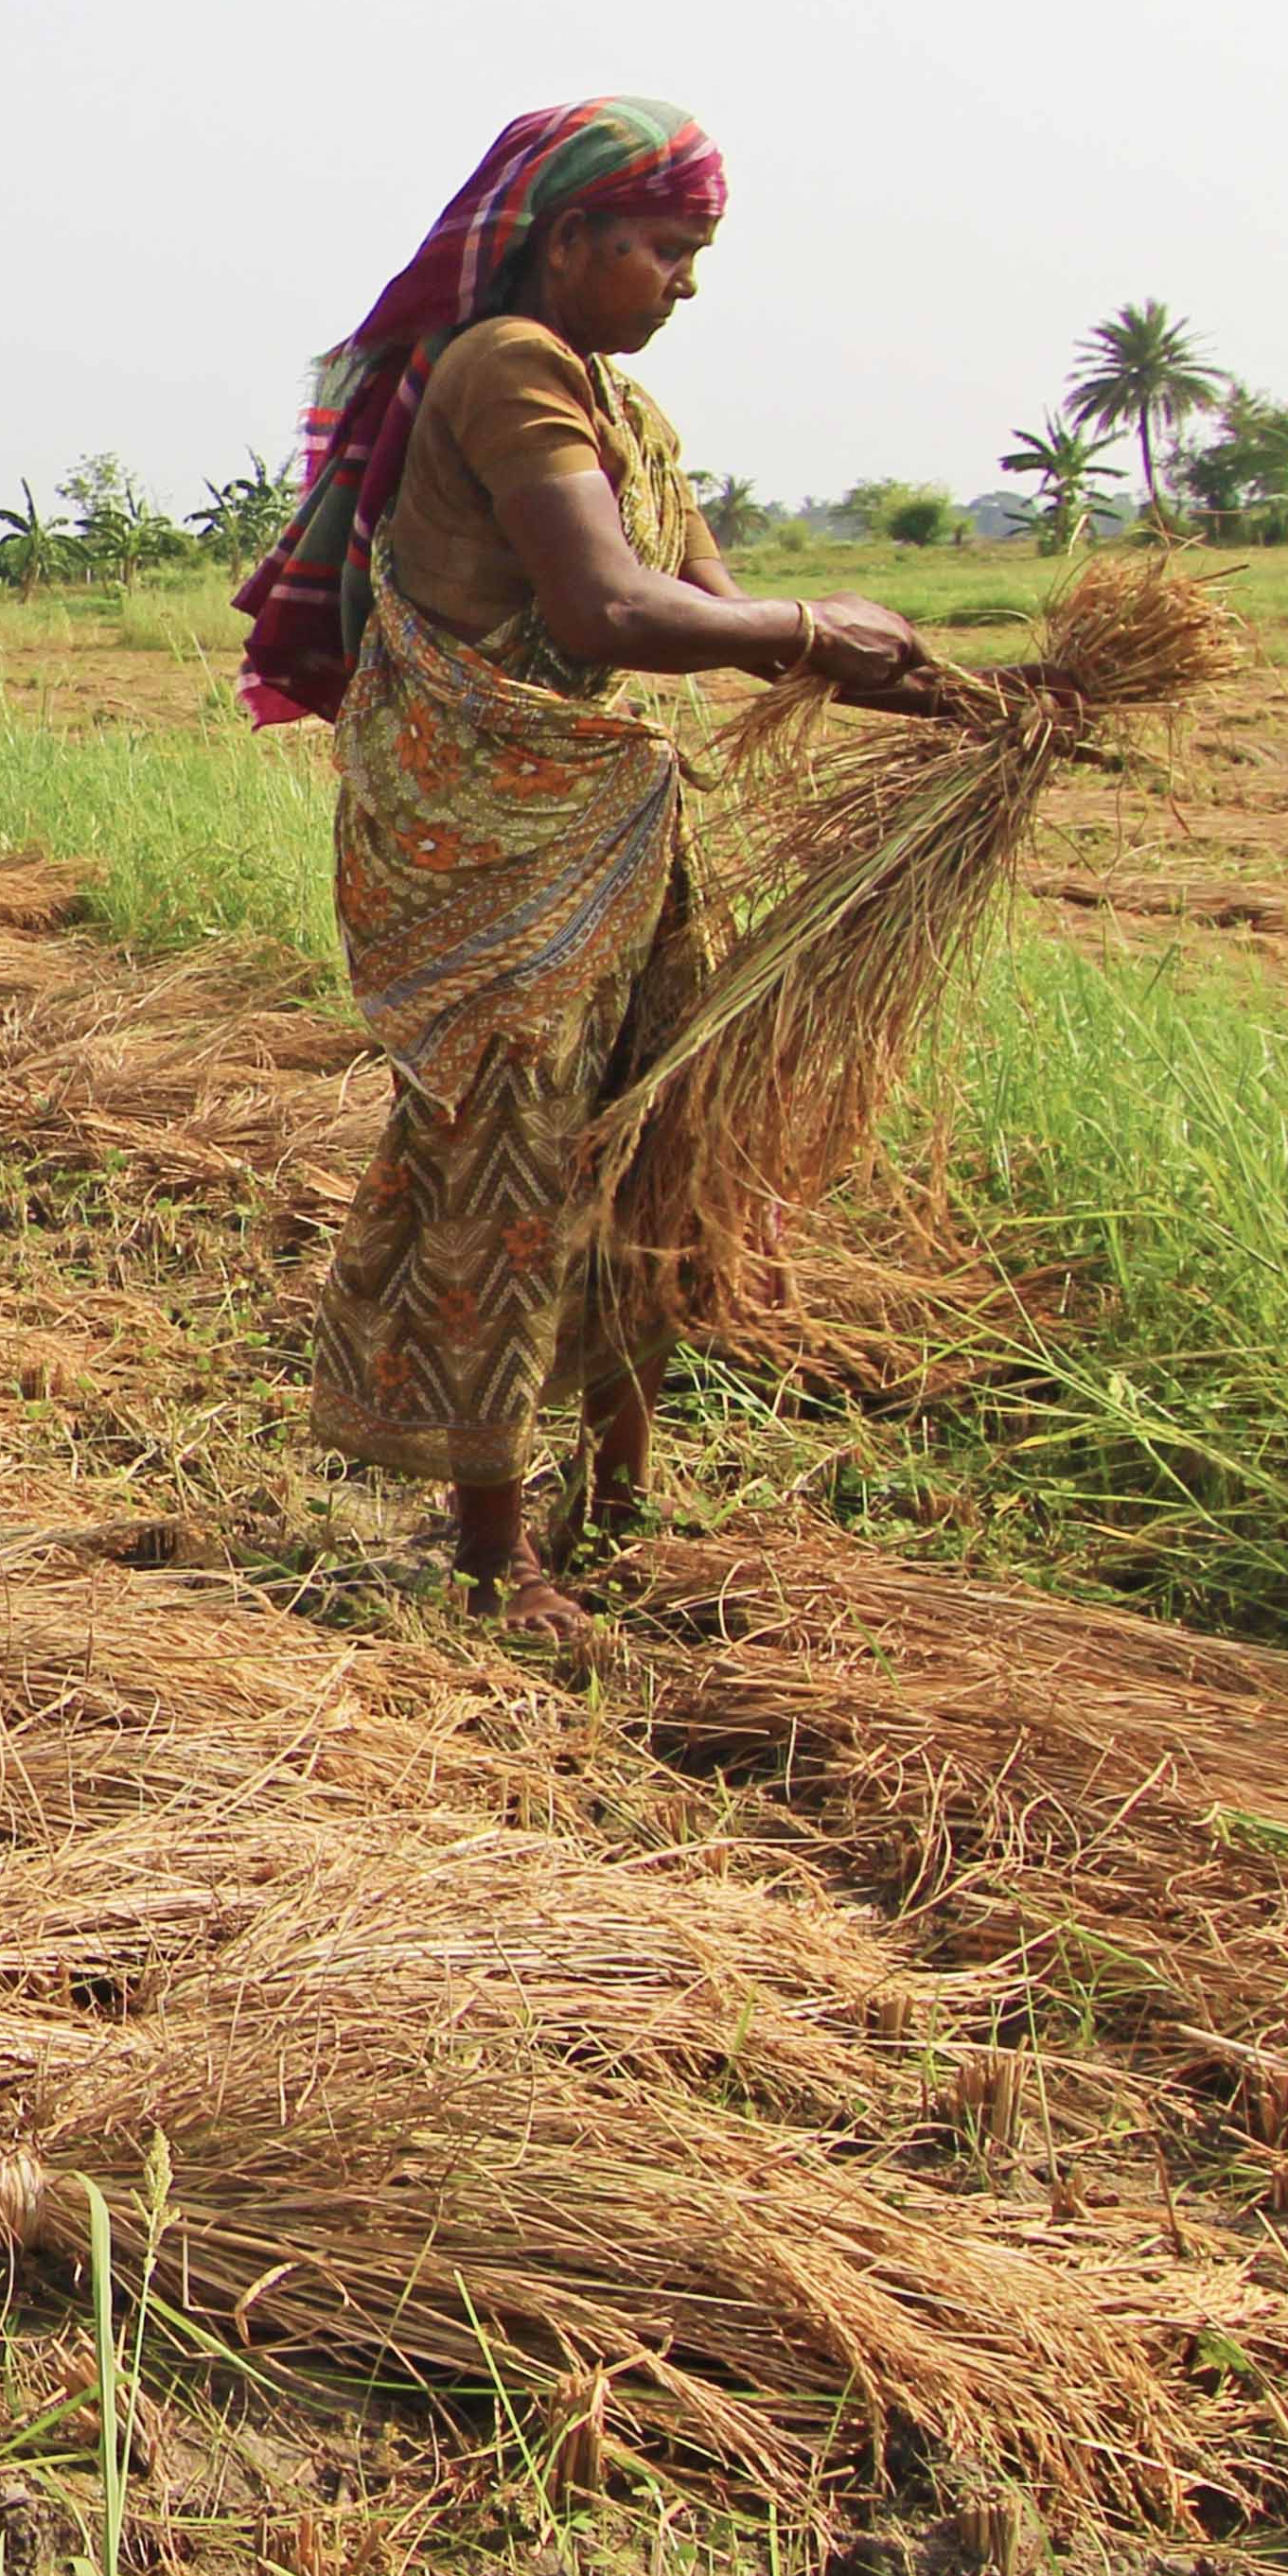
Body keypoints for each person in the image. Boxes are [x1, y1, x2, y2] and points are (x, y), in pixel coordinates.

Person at [226, 99, 935, 1641]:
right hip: (493, 839)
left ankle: (612, 1498)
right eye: (668, 249)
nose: (686, 282)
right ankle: (494, 1556)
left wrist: (980, 699)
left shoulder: (627, 413)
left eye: (696, 254)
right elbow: (614, 613)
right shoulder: (507, 369)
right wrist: (826, 625)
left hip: (605, 835)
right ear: (570, 239)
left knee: (644, 1148)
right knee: (516, 1165)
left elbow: (720, 617)